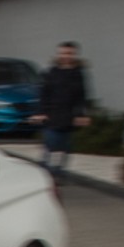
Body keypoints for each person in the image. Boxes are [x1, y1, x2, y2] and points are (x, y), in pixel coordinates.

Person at [30, 41, 91, 177]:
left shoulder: (78, 75)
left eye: (70, 53)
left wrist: (82, 114)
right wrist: (40, 112)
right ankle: (45, 172)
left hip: (69, 117)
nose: (66, 56)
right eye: (63, 53)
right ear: (59, 54)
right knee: (51, 144)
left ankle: (59, 172)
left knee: (65, 147)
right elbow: (44, 94)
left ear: (75, 55)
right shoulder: (51, 73)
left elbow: (82, 95)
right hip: (51, 116)